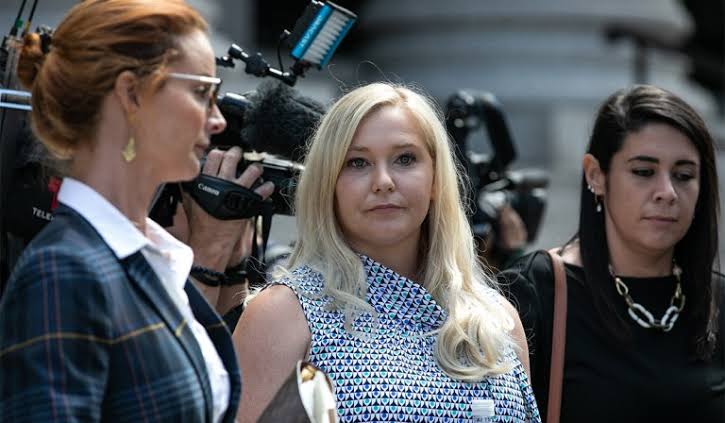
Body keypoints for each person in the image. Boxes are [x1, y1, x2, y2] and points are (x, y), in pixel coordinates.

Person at [0, 1, 267, 421]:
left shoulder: (149, 257)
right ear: (130, 94)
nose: (217, 120)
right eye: (201, 92)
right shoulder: (64, 271)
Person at [233, 82, 541, 422]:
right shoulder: (283, 315)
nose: (383, 181)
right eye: (357, 162)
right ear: (328, 184)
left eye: (405, 159)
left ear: (436, 178)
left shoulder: (498, 320)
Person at [499, 85, 725, 422]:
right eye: (643, 172)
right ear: (596, 175)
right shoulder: (537, 291)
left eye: (684, 175)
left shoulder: (717, 300)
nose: (667, 192)